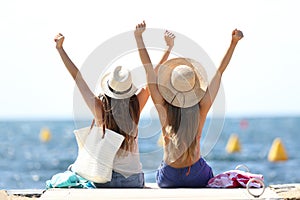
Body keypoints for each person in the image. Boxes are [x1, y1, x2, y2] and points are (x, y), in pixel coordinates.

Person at [54, 31, 175, 188]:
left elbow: (78, 78)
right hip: (134, 180)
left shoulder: (100, 110)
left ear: (109, 89)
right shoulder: (135, 108)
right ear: (128, 89)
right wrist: (168, 48)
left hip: (105, 179)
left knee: (73, 171)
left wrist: (60, 48)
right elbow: (152, 76)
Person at [134, 21, 243, 188]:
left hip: (168, 177)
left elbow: (148, 70)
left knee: (162, 170)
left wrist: (139, 38)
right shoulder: (201, 107)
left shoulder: (163, 107)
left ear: (170, 87)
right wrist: (233, 44)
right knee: (207, 169)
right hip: (195, 175)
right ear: (194, 87)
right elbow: (219, 71)